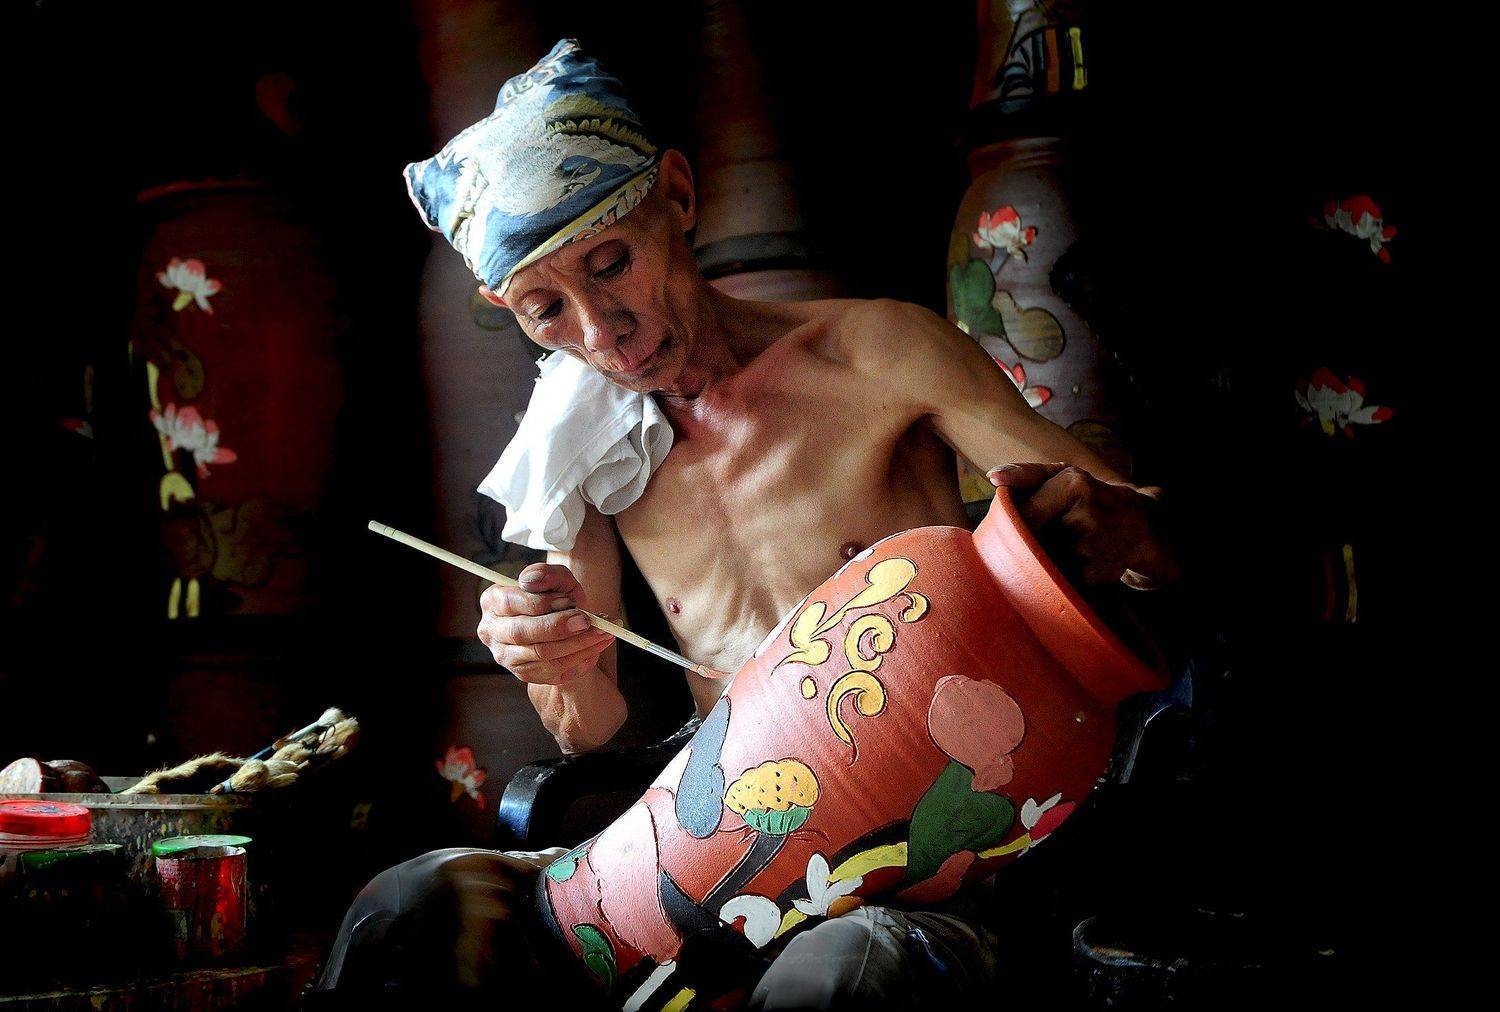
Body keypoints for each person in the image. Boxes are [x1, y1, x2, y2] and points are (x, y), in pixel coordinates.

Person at [312, 38, 1176, 1010]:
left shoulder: (875, 352)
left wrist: (1120, 529)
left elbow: (1143, 537)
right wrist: (555, 660)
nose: (601, 333)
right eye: (546, 309)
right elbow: (590, 729)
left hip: (914, 844)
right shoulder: (586, 443)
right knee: (412, 905)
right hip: (713, 847)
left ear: (677, 197)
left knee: (842, 971)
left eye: (611, 264)